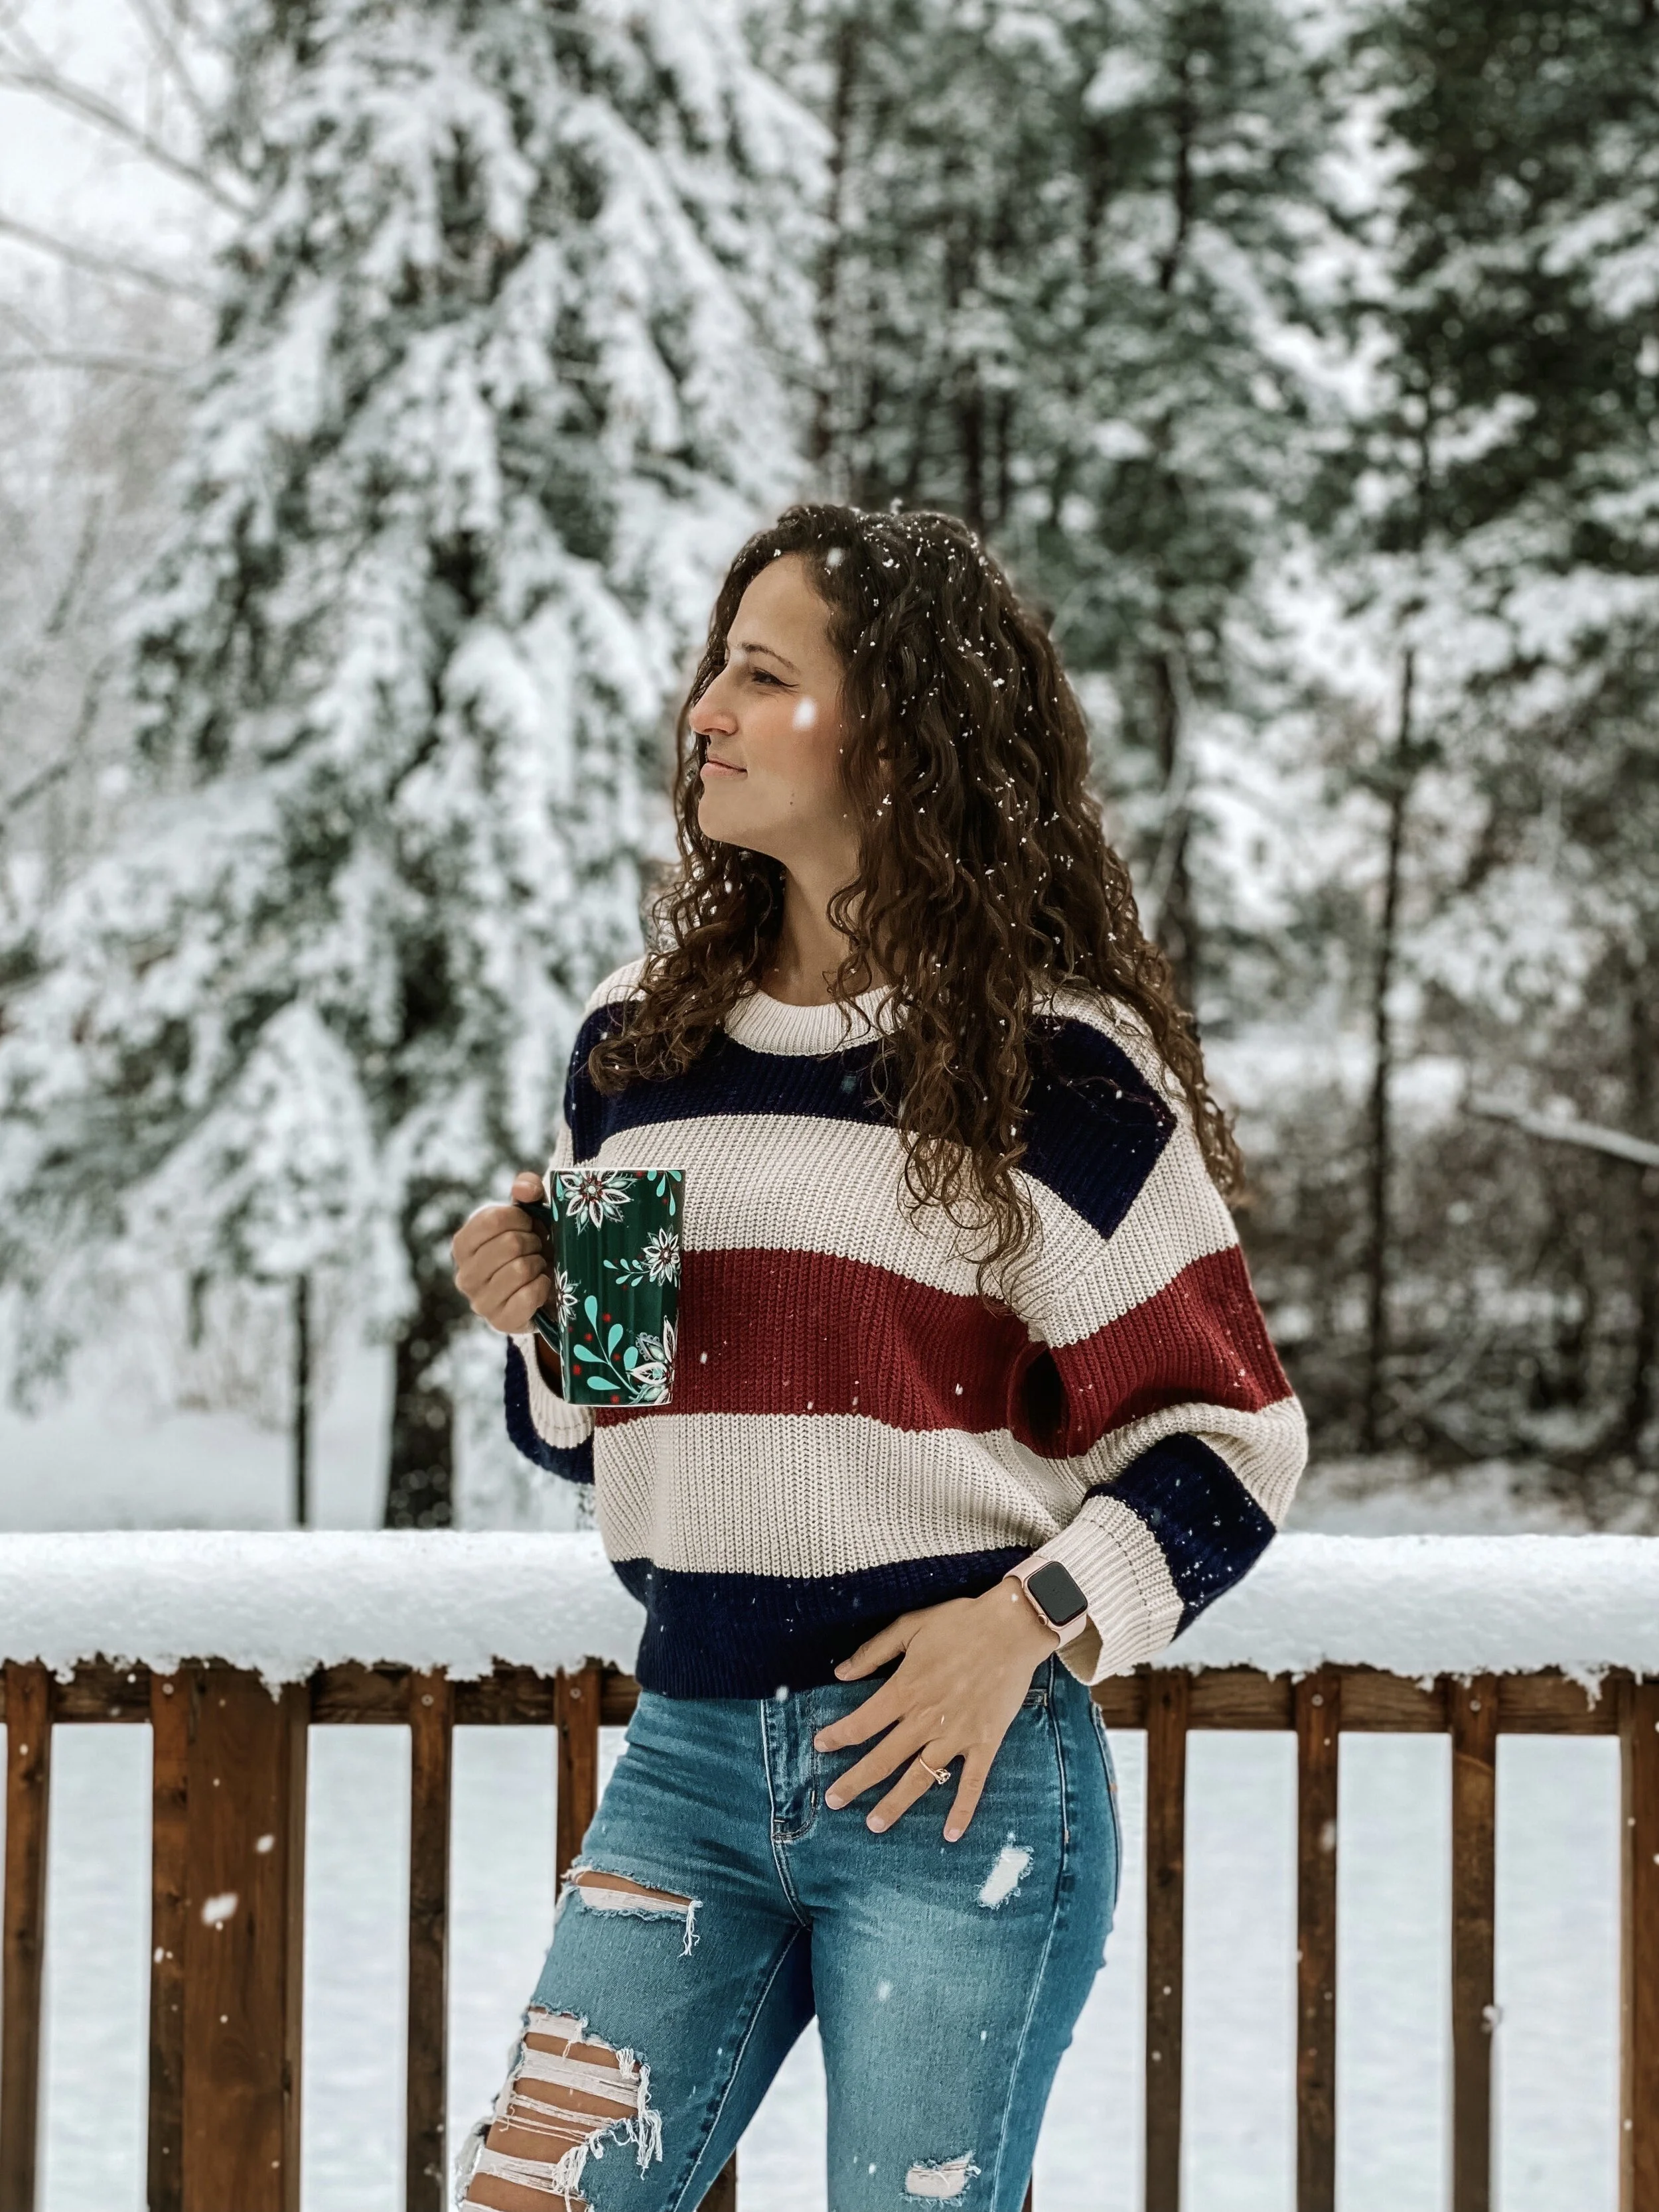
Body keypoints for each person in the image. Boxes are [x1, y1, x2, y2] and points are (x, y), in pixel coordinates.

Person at [449, 503, 1307, 2212]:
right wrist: (542, 1321)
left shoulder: (1055, 1070)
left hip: (959, 1781)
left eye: (764, 676)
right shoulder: (644, 1047)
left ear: (901, 735)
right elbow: (606, 1427)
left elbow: (1234, 1442)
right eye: (715, 668)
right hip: (686, 1760)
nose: (706, 708)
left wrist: (1028, 1627)